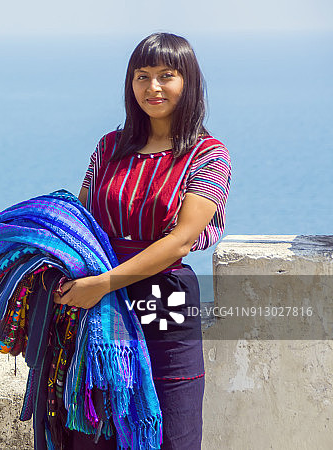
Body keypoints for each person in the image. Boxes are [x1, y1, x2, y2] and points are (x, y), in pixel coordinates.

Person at [53, 33, 231, 449]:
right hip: (98, 305)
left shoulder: (208, 154)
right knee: (95, 429)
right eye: (142, 76)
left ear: (189, 82)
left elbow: (181, 241)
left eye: (167, 76)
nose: (153, 88)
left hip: (162, 301)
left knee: (172, 429)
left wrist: (104, 283)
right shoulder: (108, 147)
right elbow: (80, 219)